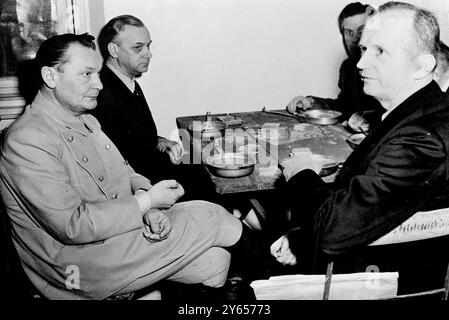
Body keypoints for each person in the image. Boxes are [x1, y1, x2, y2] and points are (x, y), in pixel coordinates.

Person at [0, 33, 266, 300]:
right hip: (75, 266)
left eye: (98, 74)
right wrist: (146, 203)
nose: (100, 85)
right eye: (87, 74)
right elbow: (73, 225)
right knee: (213, 218)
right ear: (50, 77)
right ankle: (281, 271)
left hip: (111, 238)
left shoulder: (85, 120)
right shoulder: (27, 139)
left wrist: (147, 204)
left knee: (215, 258)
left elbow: (125, 170)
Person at [272, 2, 449, 294]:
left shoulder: (422, 139)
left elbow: (335, 230)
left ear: (422, 65)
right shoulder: (407, 114)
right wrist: (303, 237)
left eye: (380, 51)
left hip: (383, 285)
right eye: (364, 50)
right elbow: (370, 207)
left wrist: (301, 172)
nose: (360, 63)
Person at [91, 15, 214, 201]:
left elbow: (133, 135)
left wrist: (161, 141)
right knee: (206, 173)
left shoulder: (126, 82)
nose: (148, 54)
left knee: (201, 164)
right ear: (114, 50)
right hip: (140, 185)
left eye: (148, 46)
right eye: (138, 48)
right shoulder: (104, 93)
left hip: (149, 167)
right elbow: (125, 161)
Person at [285, 2, 382, 121]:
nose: (356, 38)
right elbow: (343, 107)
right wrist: (310, 103)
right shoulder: (348, 67)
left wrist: (366, 118)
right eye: (349, 32)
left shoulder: (386, 65)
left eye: (361, 30)